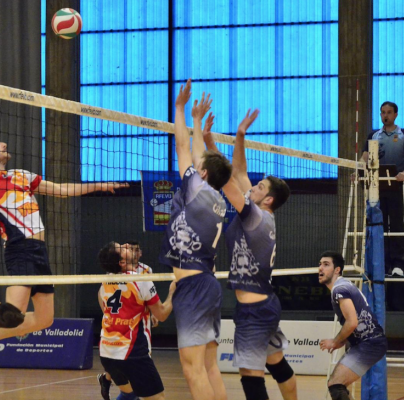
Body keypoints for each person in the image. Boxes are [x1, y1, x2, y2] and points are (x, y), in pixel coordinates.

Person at [0, 119, 127, 366]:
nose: (4, 144)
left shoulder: (21, 176)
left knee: (44, 320)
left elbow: (61, 189)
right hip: (19, 248)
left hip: (39, 251)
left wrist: (99, 186)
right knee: (12, 314)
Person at [202, 109, 297, 400]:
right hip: (265, 304)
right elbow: (239, 173)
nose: (253, 187)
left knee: (250, 378)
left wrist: (210, 145)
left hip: (254, 311)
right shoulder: (261, 213)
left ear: (268, 199)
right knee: (277, 365)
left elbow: (228, 179)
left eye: (259, 187)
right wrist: (236, 136)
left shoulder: (255, 216)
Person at [157, 80, 232, 400]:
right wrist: (198, 122)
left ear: (202, 174)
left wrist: (180, 108)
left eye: (198, 168)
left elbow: (182, 147)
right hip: (207, 284)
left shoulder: (196, 188)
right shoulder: (217, 198)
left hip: (193, 287)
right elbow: (202, 157)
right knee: (209, 366)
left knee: (192, 369)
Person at [97, 242, 175, 400]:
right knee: (157, 397)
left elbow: (103, 305)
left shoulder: (105, 281)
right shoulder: (141, 280)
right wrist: (174, 292)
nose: (127, 246)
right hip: (132, 353)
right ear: (122, 262)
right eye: (123, 248)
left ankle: (106, 380)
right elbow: (161, 315)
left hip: (106, 352)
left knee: (129, 393)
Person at [317, 251, 388, 400]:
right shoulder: (344, 285)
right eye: (320, 264)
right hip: (368, 342)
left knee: (335, 384)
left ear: (337, 270)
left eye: (326, 264)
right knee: (336, 385)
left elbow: (352, 322)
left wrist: (335, 341)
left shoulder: (339, 289)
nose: (320, 268)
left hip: (370, 343)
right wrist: (342, 341)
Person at [361, 101, 404, 276]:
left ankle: (399, 265)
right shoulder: (373, 135)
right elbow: (364, 158)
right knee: (380, 226)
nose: (385, 115)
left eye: (389, 112)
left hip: (396, 186)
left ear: (395, 115)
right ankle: (383, 265)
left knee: (397, 225)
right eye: (383, 112)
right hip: (377, 187)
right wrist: (358, 171)